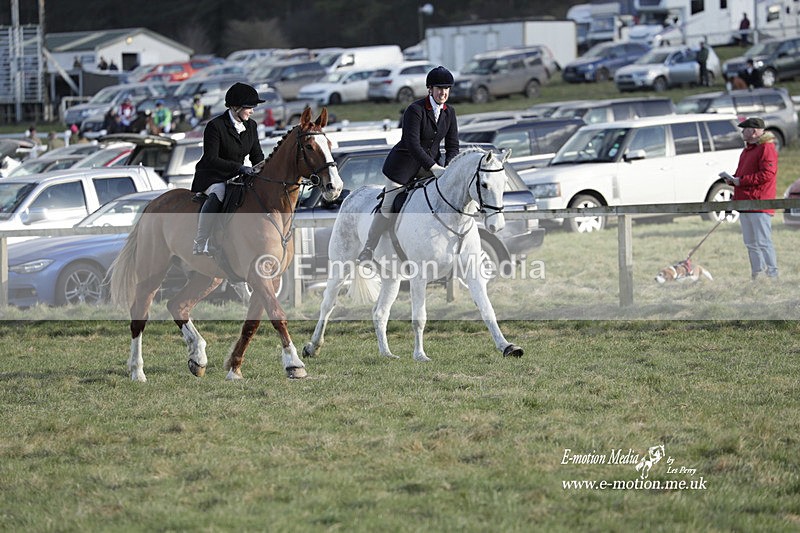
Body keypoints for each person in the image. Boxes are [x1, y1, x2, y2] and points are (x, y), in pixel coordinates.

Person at [357, 66, 460, 264]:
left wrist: (449, 167)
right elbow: (412, 145)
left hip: (431, 168)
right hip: (402, 167)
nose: (443, 93)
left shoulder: (450, 113)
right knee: (388, 206)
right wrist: (434, 167)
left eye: (447, 88)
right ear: (430, 89)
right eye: (439, 88)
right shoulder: (415, 110)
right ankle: (368, 248)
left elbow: (453, 145)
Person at [190, 82, 265, 256]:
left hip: (238, 175)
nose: (252, 111)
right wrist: (239, 168)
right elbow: (211, 158)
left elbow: (257, 155)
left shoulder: (251, 126)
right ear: (235, 107)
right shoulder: (215, 126)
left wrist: (262, 169)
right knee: (220, 191)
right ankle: (201, 241)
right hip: (213, 175)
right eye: (249, 107)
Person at [720, 117, 778, 280]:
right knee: (751, 243)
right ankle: (757, 276)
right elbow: (743, 174)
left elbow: (767, 174)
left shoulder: (767, 148)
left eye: (744, 129)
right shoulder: (747, 150)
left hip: (759, 203)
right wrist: (734, 180)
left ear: (753, 131)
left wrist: (741, 181)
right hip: (745, 203)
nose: (742, 132)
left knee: (763, 242)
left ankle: (773, 276)